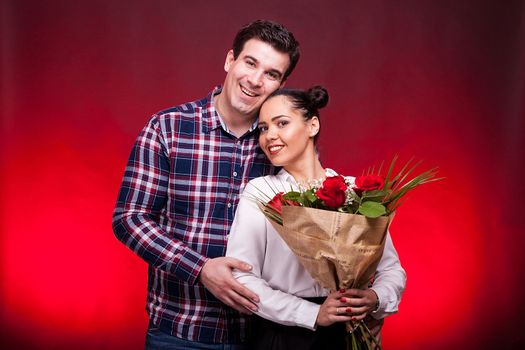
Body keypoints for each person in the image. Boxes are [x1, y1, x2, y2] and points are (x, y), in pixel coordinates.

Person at [112, 20, 300, 349]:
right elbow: (130, 218)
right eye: (250, 63)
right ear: (230, 60)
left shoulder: (283, 142)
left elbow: (315, 220)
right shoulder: (168, 128)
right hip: (179, 331)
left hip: (263, 333)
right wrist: (200, 269)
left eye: (271, 74)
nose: (255, 81)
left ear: (282, 84)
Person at [225, 86, 406, 349]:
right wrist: (310, 314)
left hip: (349, 328)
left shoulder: (355, 191)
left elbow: (391, 269)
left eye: (282, 123)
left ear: (312, 125)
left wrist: (374, 298)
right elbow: (242, 276)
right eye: (263, 128)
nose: (269, 136)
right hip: (286, 334)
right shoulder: (261, 191)